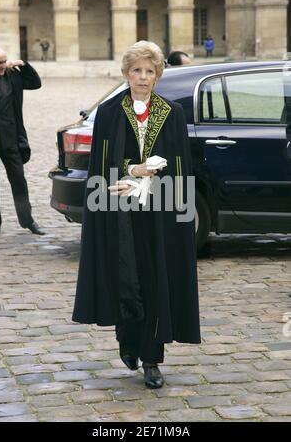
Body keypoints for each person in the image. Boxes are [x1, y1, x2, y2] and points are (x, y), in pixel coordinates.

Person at [72, 40, 200, 389]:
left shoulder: (172, 113)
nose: (143, 77)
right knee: (127, 279)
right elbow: (100, 166)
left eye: (149, 71)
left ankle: (152, 359)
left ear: (158, 75)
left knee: (156, 278)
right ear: (126, 74)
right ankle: (127, 340)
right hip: (119, 210)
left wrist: (170, 195)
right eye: (136, 71)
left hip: (159, 212)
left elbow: (180, 167)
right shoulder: (111, 112)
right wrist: (133, 169)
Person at [0, 46, 45, 236]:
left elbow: (35, 83)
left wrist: (22, 64)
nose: (3, 66)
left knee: (19, 181)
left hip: (11, 139)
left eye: (4, 61)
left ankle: (27, 220)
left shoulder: (13, 75)